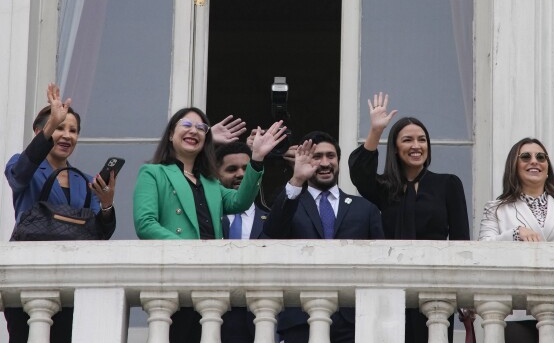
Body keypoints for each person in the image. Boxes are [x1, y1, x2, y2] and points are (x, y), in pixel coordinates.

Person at [133, 107, 287, 343]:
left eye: (201, 128)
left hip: (209, 283)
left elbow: (240, 201)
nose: (193, 131)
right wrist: (191, 249)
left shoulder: (211, 183)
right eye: (186, 125)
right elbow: (145, 224)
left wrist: (256, 159)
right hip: (175, 278)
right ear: (171, 134)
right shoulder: (153, 173)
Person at [348, 92, 470, 343]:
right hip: (390, 287)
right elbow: (359, 174)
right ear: (395, 147)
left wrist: (464, 292)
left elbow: (461, 240)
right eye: (408, 140)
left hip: (435, 288)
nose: (416, 146)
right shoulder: (383, 188)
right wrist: (375, 131)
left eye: (422, 140)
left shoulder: (447, 184)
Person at [4, 83, 117, 343]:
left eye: (73, 130)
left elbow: (100, 234)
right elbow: (19, 174)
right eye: (59, 127)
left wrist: (107, 204)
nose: (67, 135)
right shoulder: (22, 165)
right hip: (29, 276)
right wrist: (49, 125)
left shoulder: (86, 181)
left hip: (72, 279)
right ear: (40, 131)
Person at [263, 131, 384, 343]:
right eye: (317, 157)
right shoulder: (292, 203)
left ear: (338, 160)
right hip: (300, 318)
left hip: (353, 321)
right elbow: (272, 233)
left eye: (331, 156)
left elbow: (380, 264)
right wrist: (297, 179)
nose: (325, 162)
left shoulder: (365, 209)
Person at [479, 137, 554, 342]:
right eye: (526, 157)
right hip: (516, 310)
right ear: (514, 166)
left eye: (541, 157)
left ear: (547, 167)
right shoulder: (496, 208)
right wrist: (515, 233)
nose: (535, 161)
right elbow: (483, 252)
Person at [215, 141, 270, 343]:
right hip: (212, 317)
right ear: (216, 175)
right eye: (232, 169)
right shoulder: (205, 218)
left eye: (246, 169)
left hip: (261, 319)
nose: (240, 174)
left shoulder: (272, 220)